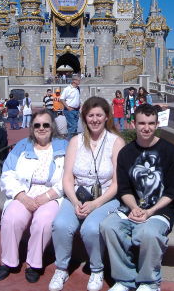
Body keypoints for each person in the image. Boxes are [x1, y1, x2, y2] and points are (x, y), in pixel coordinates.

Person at [100, 104, 174, 291]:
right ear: (134, 123)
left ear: (157, 124)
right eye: (142, 123)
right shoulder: (126, 153)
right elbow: (124, 188)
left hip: (160, 210)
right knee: (109, 226)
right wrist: (134, 207)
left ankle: (149, 282)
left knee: (149, 233)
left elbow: (173, 191)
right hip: (132, 208)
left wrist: (150, 211)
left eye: (151, 123)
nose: (146, 128)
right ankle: (125, 279)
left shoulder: (171, 152)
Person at [49, 97, 125, 291]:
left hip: (106, 197)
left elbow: (117, 183)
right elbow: (67, 178)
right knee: (60, 224)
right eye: (90, 115)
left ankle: (97, 269)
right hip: (77, 195)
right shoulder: (75, 141)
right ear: (84, 118)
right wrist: (74, 202)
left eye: (99, 115)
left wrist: (96, 204)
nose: (95, 119)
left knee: (91, 228)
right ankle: (61, 268)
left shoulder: (116, 142)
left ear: (106, 116)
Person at [0, 109, 68, 283]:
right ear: (31, 127)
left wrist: (49, 195)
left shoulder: (64, 147)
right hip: (24, 192)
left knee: (43, 222)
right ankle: (8, 261)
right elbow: (7, 173)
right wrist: (21, 196)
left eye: (45, 125)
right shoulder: (22, 146)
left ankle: (34, 264)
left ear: (52, 127)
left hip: (52, 194)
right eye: (37, 125)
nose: (41, 128)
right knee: (12, 218)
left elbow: (69, 176)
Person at [60, 75, 81, 139]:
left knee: (75, 126)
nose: (80, 81)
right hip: (70, 110)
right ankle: (69, 141)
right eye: (79, 80)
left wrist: (80, 105)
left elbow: (77, 99)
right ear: (74, 81)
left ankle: (74, 141)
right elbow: (61, 99)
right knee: (72, 126)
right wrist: (68, 107)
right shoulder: (67, 89)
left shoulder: (77, 89)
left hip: (76, 110)